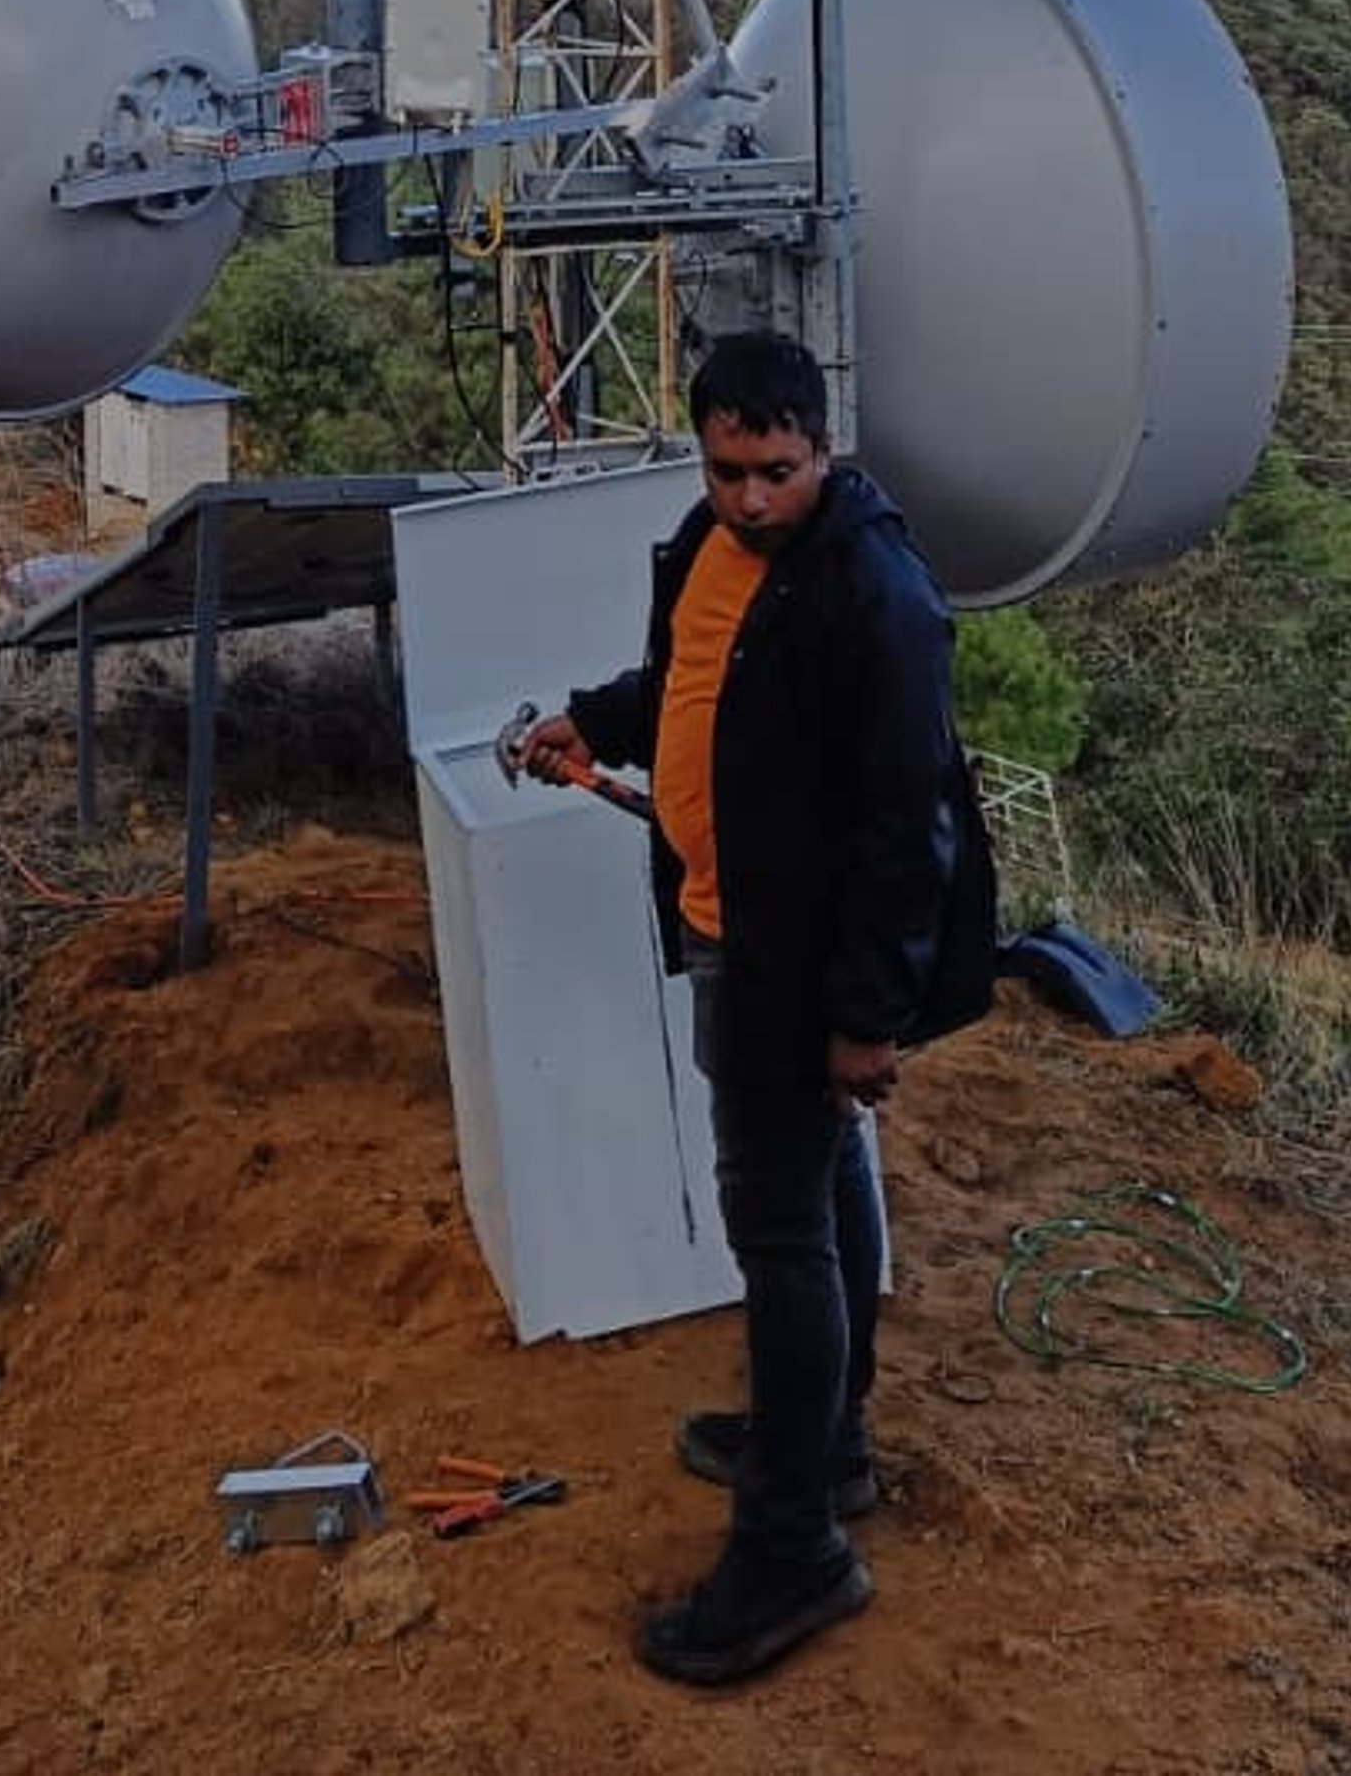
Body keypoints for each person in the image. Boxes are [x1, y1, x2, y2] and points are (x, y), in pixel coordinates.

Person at [518, 328, 968, 1691]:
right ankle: (825, 1444)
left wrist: (866, 1017)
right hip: (729, 927)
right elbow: (696, 689)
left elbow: (912, 828)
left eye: (777, 470)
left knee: (778, 1230)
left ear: (823, 449)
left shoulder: (874, 592)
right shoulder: (715, 548)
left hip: (794, 967)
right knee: (821, 1184)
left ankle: (792, 1549)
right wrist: (598, 718)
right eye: (729, 470)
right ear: (704, 451)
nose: (752, 497)